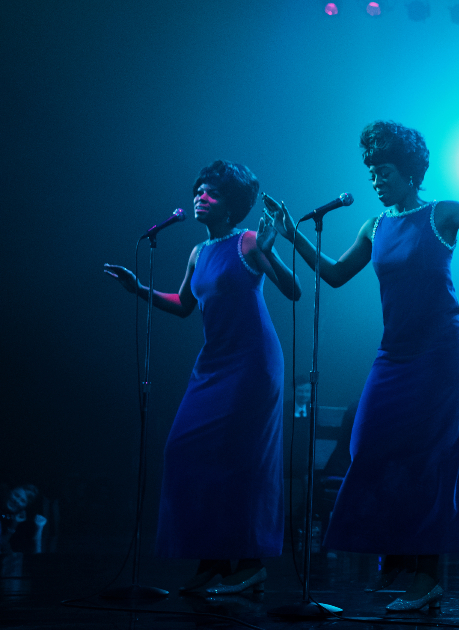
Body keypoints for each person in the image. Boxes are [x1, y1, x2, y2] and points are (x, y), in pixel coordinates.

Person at [264, 121, 459, 612]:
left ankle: (426, 577)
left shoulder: (442, 213)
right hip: (394, 354)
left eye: (385, 170)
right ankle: (400, 560)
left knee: (430, 458)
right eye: (372, 171)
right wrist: (292, 233)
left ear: (410, 171)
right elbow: (335, 275)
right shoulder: (374, 225)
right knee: (367, 443)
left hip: (440, 352)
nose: (376, 179)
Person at [103, 160, 301, 595]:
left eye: (210, 192)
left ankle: (250, 564)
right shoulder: (198, 253)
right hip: (213, 364)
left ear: (231, 204)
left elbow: (294, 290)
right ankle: (212, 561)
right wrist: (138, 288)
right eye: (198, 191)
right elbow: (183, 304)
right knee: (184, 449)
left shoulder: (249, 243)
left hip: (253, 363)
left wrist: (269, 250)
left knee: (242, 460)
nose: (200, 197)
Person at [1, 484, 46, 555]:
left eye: (22, 501)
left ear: (26, 506)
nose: (17, 501)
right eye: (16, 495)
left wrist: (39, 528)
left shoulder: (24, 522)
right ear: (10, 492)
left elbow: (37, 554)